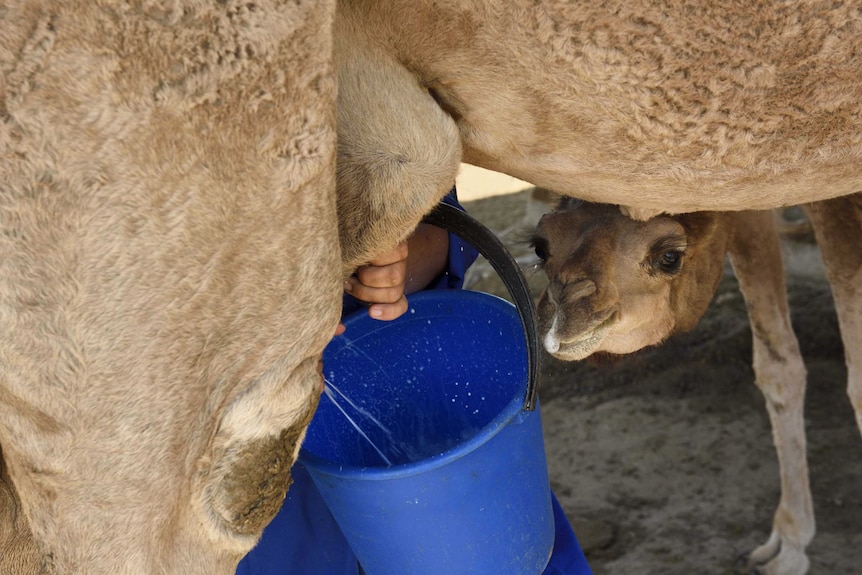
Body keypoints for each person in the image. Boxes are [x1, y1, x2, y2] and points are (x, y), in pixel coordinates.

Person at [237, 188, 592, 575]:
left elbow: (444, 224)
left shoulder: (375, 133)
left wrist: (394, 266)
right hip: (261, 455)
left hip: (412, 360)